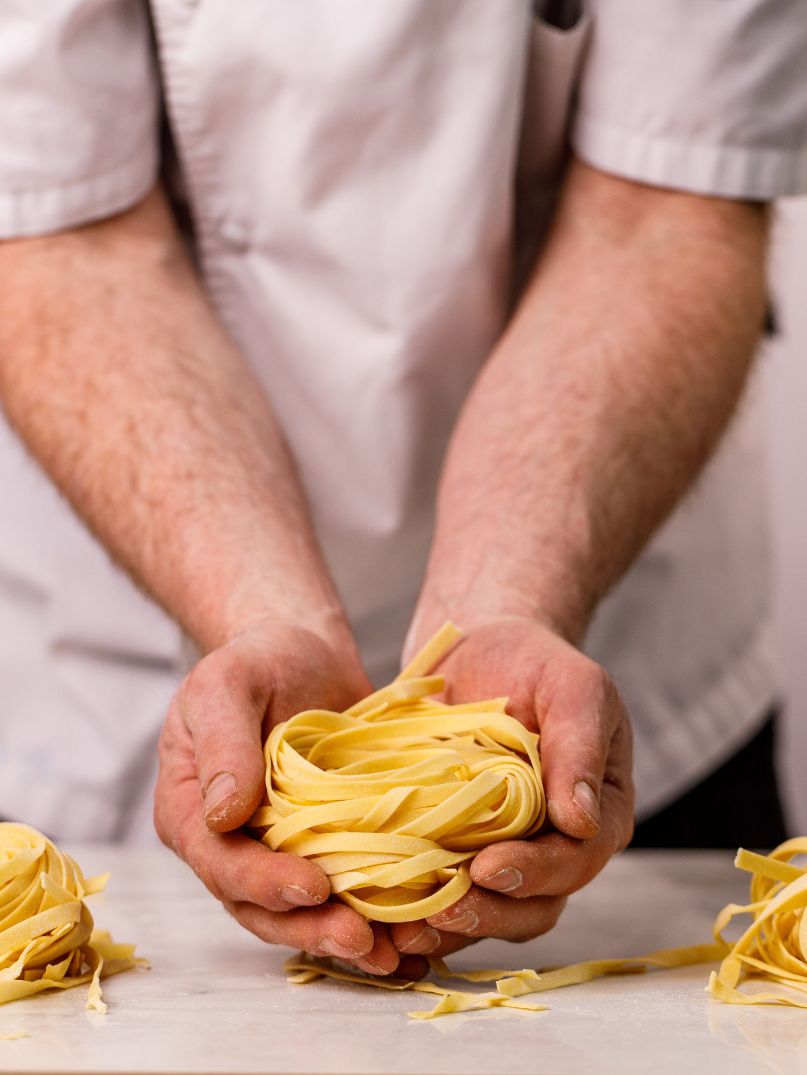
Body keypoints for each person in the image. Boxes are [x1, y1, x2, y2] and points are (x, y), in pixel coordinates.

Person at [0, 1, 805, 978]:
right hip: (105, 676)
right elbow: (70, 236)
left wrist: (505, 602)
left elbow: (661, 210)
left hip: (619, 650)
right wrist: (259, 612)